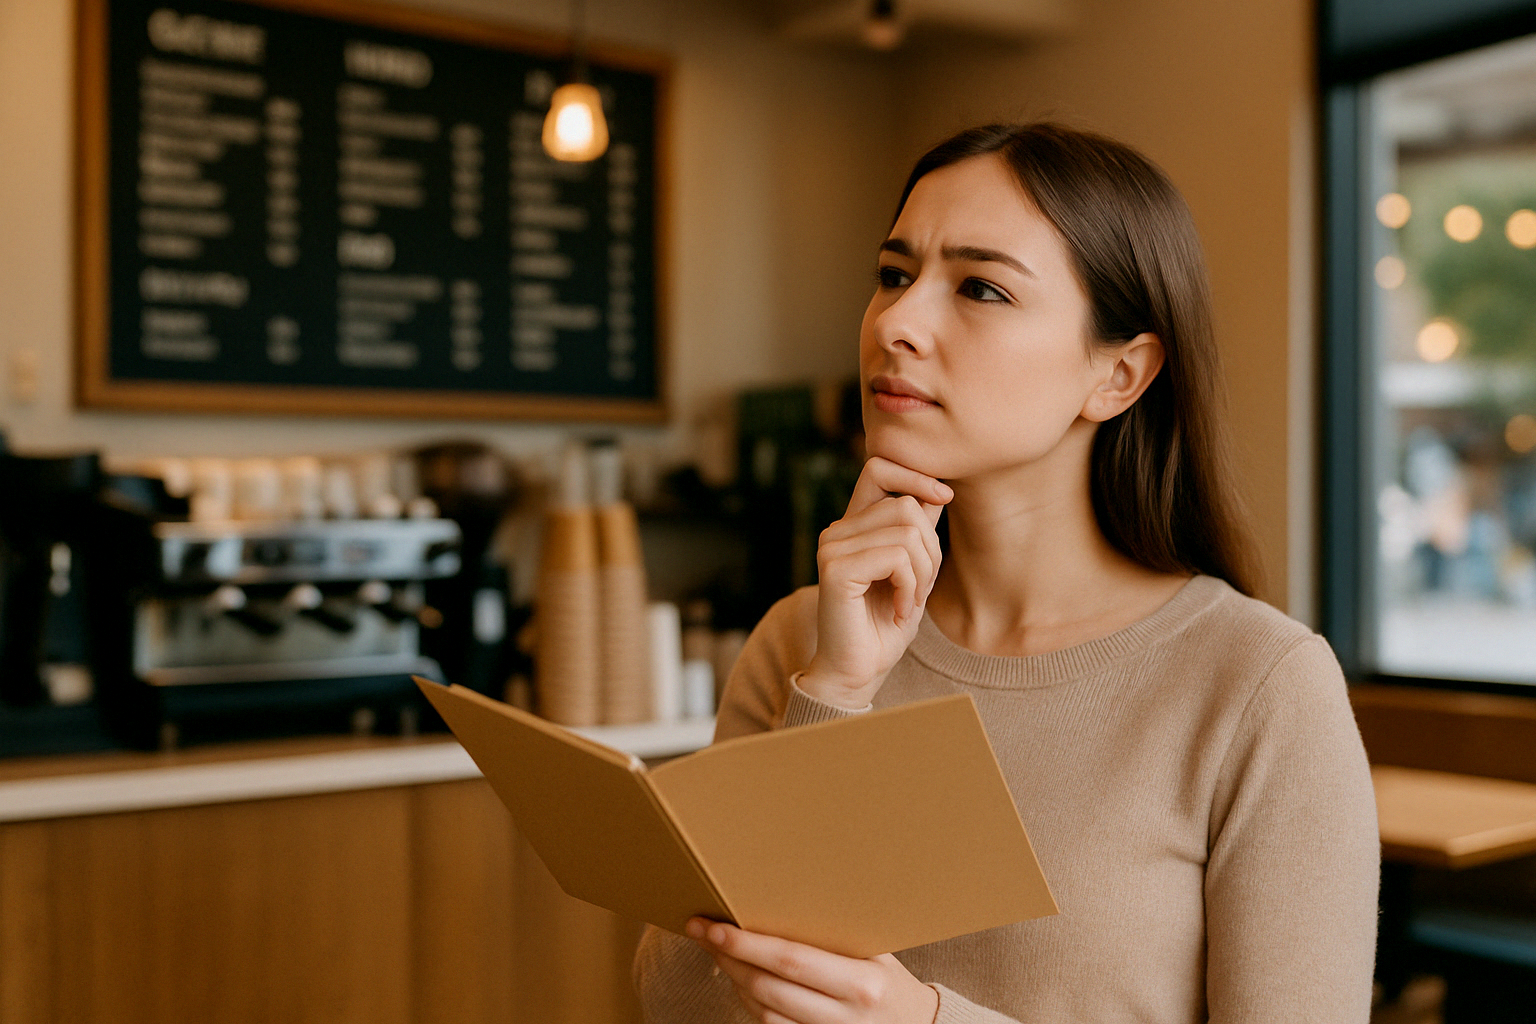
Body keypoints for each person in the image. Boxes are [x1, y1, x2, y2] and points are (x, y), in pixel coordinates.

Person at [633, 122, 1379, 1024]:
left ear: (1120, 376)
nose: (897, 324)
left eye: (980, 287)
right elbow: (674, 1007)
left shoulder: (1259, 687)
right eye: (894, 275)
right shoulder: (801, 642)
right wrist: (832, 697)